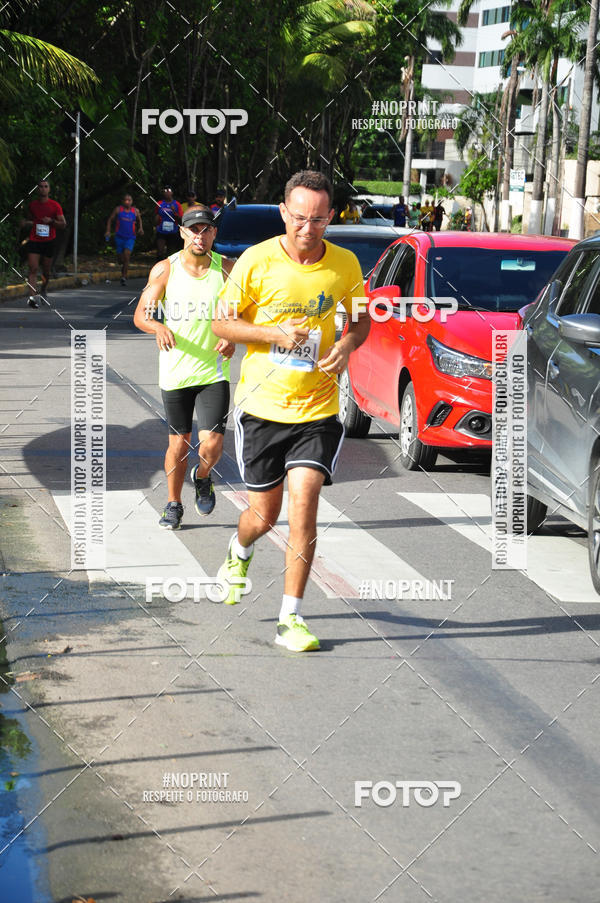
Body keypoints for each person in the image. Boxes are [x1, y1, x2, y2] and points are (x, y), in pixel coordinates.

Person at [212, 169, 370, 652]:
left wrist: (347, 345)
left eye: (319, 219)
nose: (308, 228)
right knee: (263, 515)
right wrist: (275, 335)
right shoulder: (256, 262)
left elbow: (361, 321)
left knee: (304, 506)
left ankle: (291, 618)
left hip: (318, 407)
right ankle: (239, 553)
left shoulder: (345, 265)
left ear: (331, 217)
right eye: (299, 218)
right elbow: (223, 323)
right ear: (284, 213)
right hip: (261, 407)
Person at [133, 205, 235, 529]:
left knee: (213, 443)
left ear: (214, 233)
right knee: (178, 443)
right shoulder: (165, 270)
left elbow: (244, 316)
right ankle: (173, 504)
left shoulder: (227, 270)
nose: (200, 235)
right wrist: (158, 328)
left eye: (206, 229)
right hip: (176, 371)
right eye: (193, 229)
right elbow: (141, 315)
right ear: (182, 232)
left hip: (213, 371)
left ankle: (202, 476)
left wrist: (233, 338)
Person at [21, 179, 66, 308]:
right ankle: (33, 298)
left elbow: (63, 224)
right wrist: (26, 223)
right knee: (33, 268)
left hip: (49, 241)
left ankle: (44, 288)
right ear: (37, 189)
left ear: (49, 189)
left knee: (46, 271)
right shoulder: (32, 205)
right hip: (35, 240)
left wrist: (51, 221)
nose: (43, 189)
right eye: (40, 187)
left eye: (46, 186)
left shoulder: (55, 205)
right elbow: (32, 220)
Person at [105, 194, 144, 285]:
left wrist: (140, 228)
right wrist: (108, 231)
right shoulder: (118, 209)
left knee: (127, 256)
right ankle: (122, 265)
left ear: (132, 201)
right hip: (119, 237)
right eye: (126, 200)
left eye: (129, 200)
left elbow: (139, 220)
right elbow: (110, 219)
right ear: (123, 201)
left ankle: (123, 276)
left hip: (130, 237)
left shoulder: (135, 211)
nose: (127, 202)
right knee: (120, 259)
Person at [155, 187, 183, 260]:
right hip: (161, 230)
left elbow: (181, 219)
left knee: (171, 253)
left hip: (173, 231)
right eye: (165, 191)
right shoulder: (159, 203)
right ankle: (159, 267)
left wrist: (174, 212)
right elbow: (156, 215)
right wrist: (156, 222)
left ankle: (170, 268)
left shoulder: (177, 204)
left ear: (172, 193)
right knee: (160, 251)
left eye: (169, 191)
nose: (167, 193)